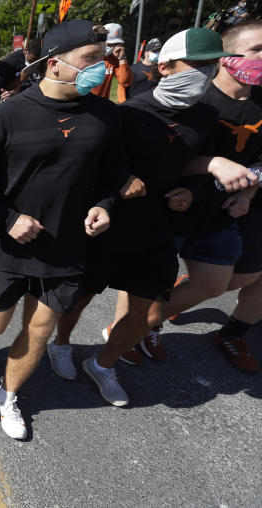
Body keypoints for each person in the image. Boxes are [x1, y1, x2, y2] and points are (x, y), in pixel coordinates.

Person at [0, 21, 127, 440]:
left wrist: (105, 205)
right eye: (91, 59)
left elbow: (115, 172)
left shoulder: (106, 116)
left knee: (39, 329)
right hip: (6, 244)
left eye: (104, 59)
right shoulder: (6, 115)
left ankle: (7, 394)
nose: (101, 68)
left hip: (66, 249)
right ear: (54, 63)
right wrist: (6, 218)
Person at [50, 27, 240, 405]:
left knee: (147, 311)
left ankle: (103, 364)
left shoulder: (207, 117)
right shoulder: (128, 111)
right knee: (80, 297)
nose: (206, 73)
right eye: (198, 65)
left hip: (159, 232)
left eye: (212, 65)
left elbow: (198, 169)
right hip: (110, 226)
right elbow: (95, 164)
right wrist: (122, 181)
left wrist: (193, 191)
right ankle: (61, 344)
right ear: (165, 67)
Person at [143, 22, 262, 372]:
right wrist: (211, 165)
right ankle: (137, 329)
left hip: (224, 212)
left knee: (217, 283)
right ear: (226, 58)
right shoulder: (194, 99)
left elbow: (257, 161)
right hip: (173, 207)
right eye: (257, 49)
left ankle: (145, 322)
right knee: (148, 280)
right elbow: (161, 159)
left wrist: (250, 192)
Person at [90, 23, 133, 103]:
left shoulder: (113, 59)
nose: (112, 47)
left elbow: (125, 82)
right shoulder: (89, 55)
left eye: (115, 44)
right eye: (110, 44)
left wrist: (122, 58)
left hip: (101, 105)